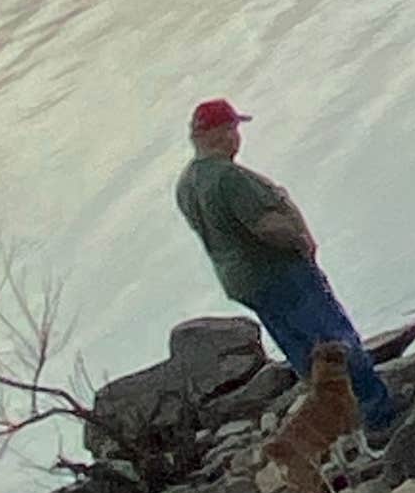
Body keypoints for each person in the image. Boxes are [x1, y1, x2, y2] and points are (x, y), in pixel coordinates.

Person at [172, 98, 401, 436]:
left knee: (302, 352)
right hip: (279, 272)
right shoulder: (229, 178)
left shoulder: (187, 183)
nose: (238, 136)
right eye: (234, 128)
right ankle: (378, 410)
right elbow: (265, 225)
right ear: (223, 134)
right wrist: (300, 241)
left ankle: (336, 421)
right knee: (334, 338)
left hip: (242, 282)